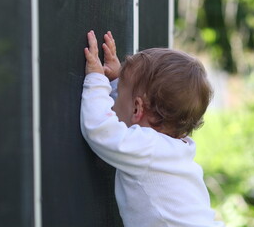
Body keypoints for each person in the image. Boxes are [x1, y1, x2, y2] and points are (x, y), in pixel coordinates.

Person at [81, 30, 224, 227]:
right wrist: (116, 83)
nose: (116, 96)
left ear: (138, 108)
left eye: (120, 92)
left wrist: (96, 80)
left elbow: (99, 128)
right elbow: (130, 115)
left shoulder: (148, 148)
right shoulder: (174, 148)